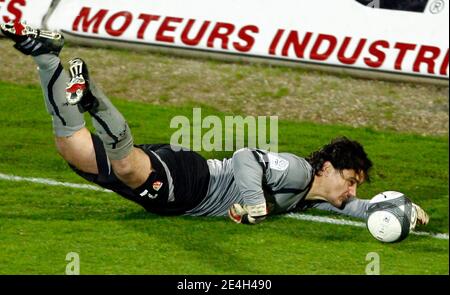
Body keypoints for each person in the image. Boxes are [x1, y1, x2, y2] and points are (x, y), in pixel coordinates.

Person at [1, 21, 429, 227]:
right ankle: (93, 97)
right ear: (329, 168)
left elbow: (355, 208)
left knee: (72, 149)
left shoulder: (308, 194)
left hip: (185, 185)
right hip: (194, 182)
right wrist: (253, 203)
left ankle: (44, 56)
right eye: (351, 180)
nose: (353, 190)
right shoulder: (299, 171)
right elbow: (246, 157)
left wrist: (400, 210)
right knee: (129, 166)